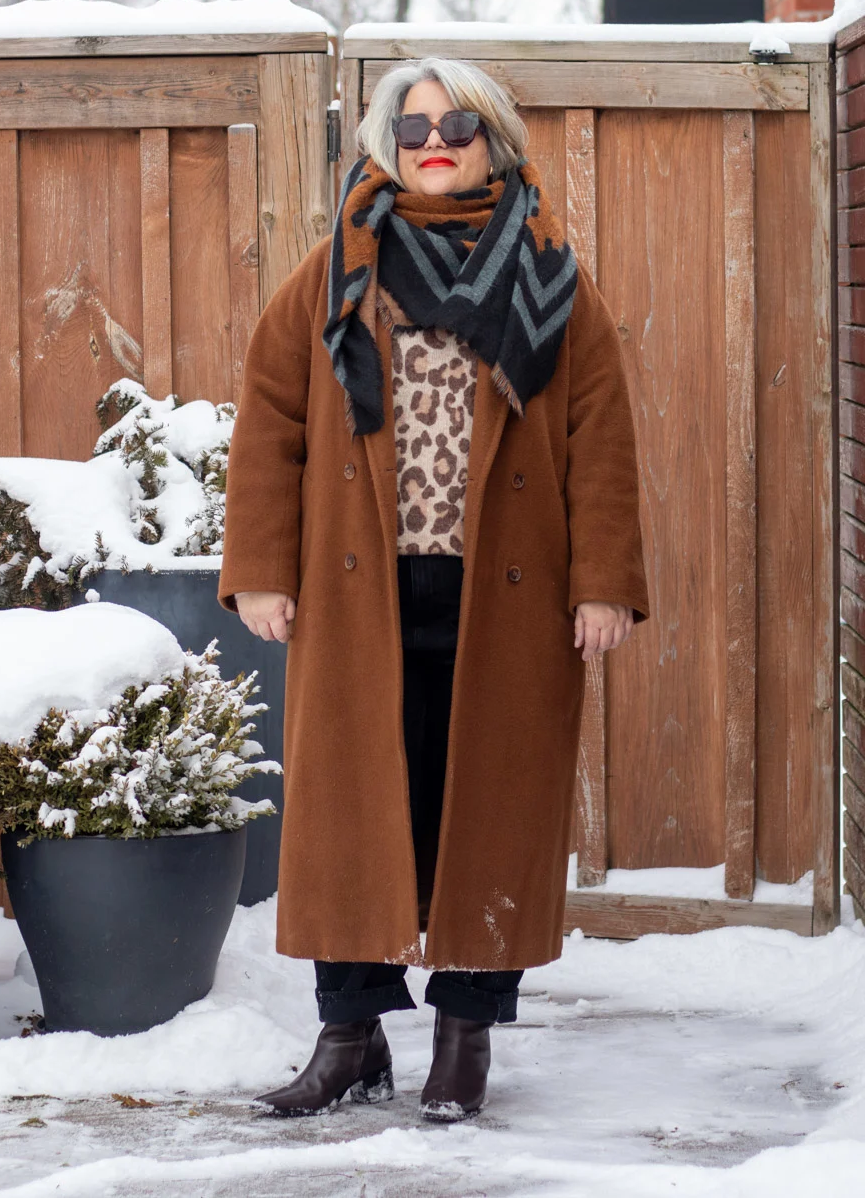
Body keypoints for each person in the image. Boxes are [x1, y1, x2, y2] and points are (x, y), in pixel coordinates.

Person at [218, 57, 650, 1121]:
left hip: (506, 599)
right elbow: (269, 422)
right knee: (352, 816)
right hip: (357, 596)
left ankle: (464, 1039)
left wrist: (602, 584)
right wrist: (263, 571)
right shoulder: (332, 271)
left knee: (487, 815)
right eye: (410, 128)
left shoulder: (551, 276)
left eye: (456, 122)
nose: (433, 140)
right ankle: (348, 1036)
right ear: (385, 144)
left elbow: (599, 440)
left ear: (491, 136)